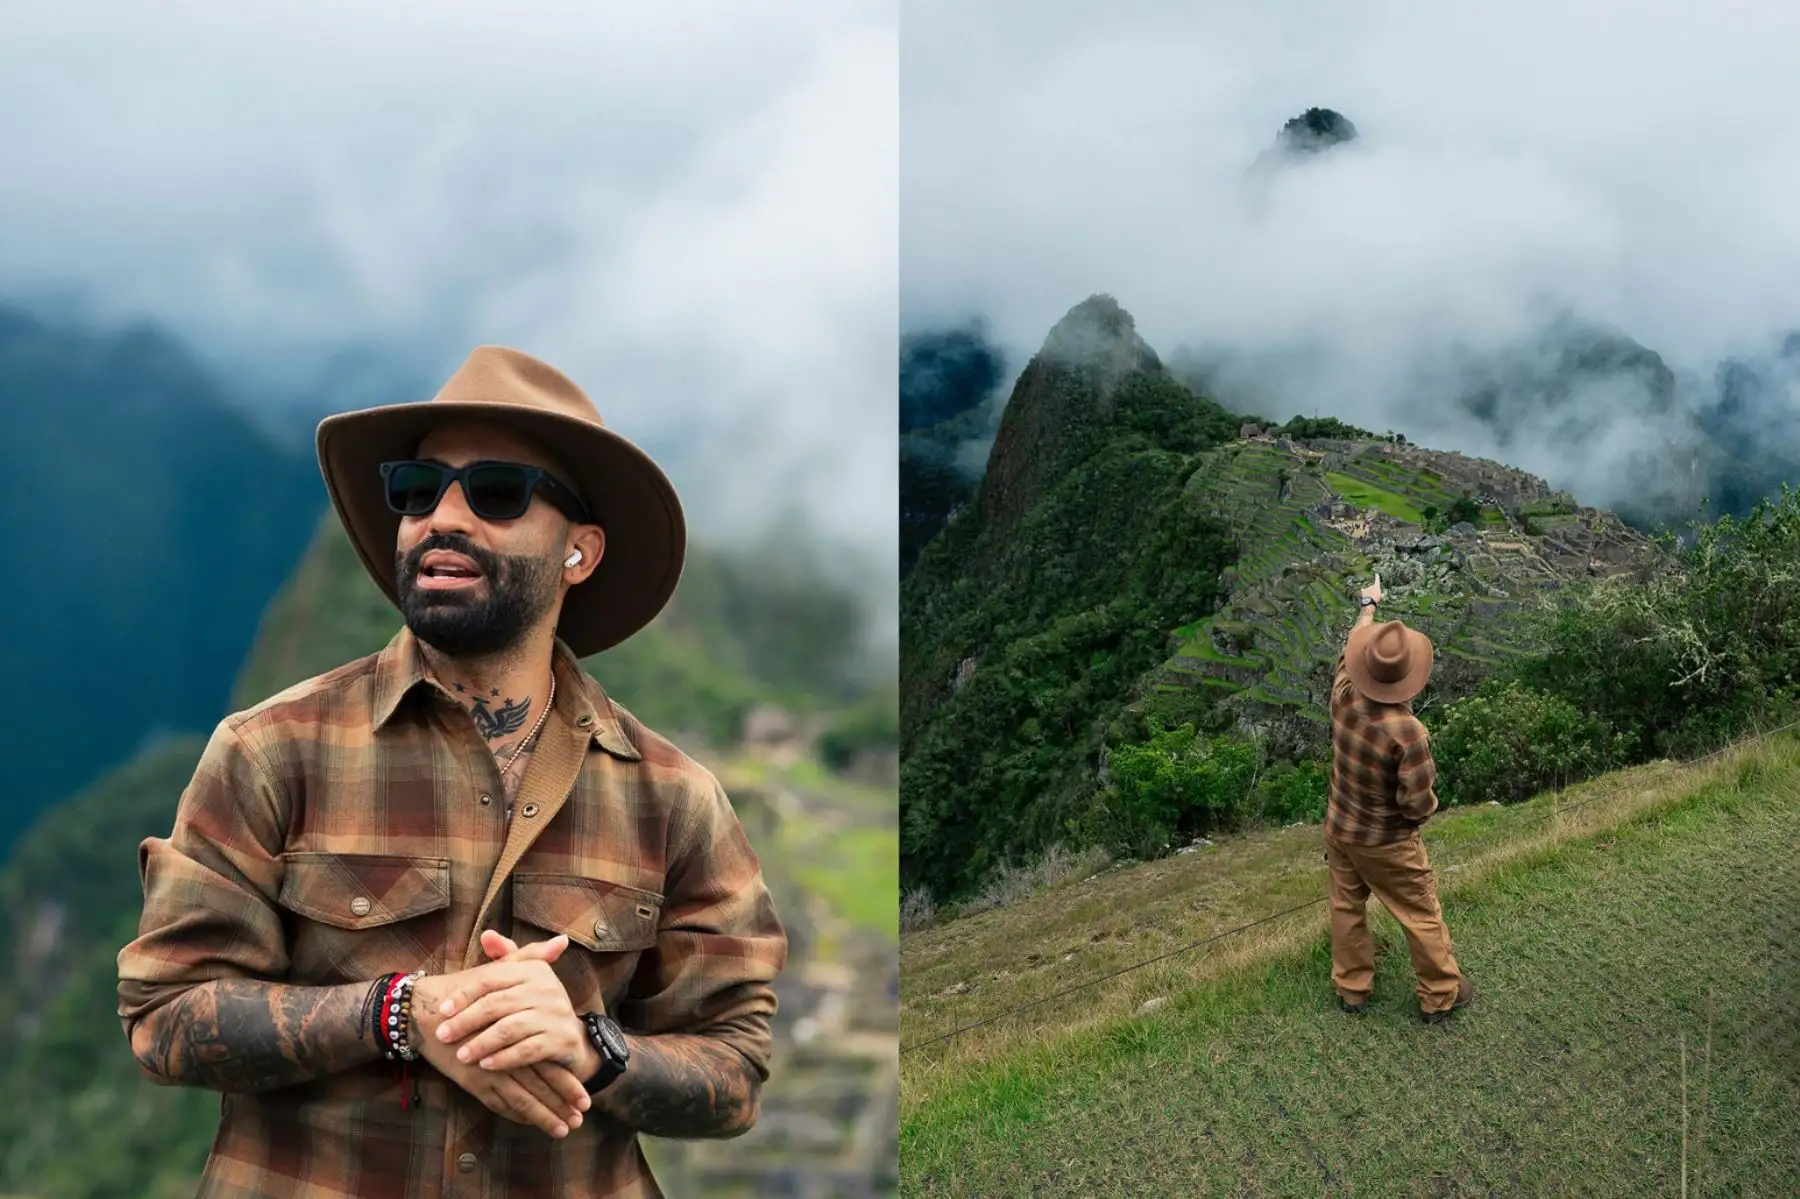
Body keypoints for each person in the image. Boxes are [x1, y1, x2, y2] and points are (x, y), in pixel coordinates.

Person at [117, 345, 788, 1198]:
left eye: (497, 493)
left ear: (579, 551)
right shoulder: (271, 750)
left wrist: (590, 1045)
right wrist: (399, 1011)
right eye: (418, 489)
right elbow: (163, 1018)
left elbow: (733, 1071)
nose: (443, 517)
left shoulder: (675, 799)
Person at [1324, 572, 1475, 1025]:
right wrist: (1416, 818)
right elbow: (1419, 803)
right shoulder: (1408, 733)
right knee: (1419, 912)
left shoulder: (1343, 693)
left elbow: (1355, 642)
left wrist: (1368, 604)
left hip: (1339, 827)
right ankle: (1441, 995)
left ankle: (1352, 989)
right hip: (1386, 840)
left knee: (1346, 906)